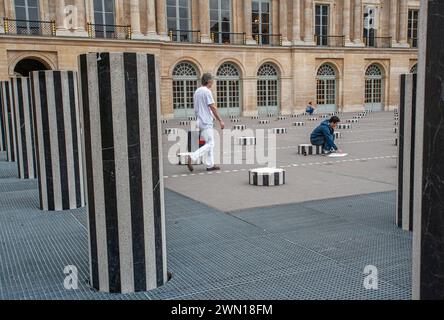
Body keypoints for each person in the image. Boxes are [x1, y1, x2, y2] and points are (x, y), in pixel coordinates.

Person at [187, 73, 225, 172]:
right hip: (206, 121)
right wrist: (220, 120)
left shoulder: (197, 91)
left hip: (199, 120)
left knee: (209, 142)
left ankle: (210, 165)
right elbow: (212, 107)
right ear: (208, 81)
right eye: (212, 80)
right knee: (211, 143)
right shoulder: (207, 91)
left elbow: (195, 108)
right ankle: (193, 156)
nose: (213, 82)